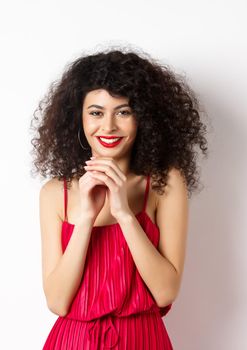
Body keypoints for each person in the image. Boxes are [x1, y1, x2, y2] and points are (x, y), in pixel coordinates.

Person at [30, 46, 209, 349]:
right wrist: (86, 218)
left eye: (123, 112)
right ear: (79, 119)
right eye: (96, 113)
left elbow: (165, 292)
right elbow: (58, 302)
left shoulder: (165, 184)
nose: (109, 126)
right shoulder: (54, 194)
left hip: (142, 340)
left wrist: (125, 213)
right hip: (73, 342)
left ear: (144, 118)